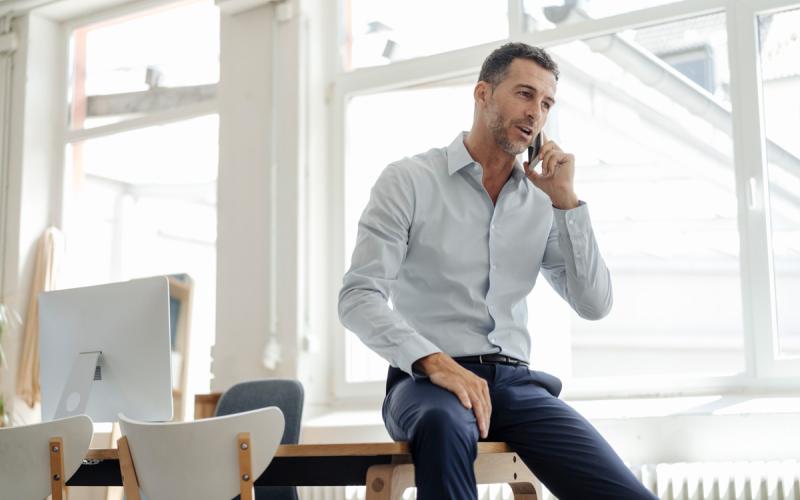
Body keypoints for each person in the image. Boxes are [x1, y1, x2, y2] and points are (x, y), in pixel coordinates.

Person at [338, 42, 656, 500]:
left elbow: (594, 304)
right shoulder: (409, 180)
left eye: (546, 104)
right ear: (483, 93)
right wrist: (436, 362)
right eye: (525, 94)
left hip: (517, 387)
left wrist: (567, 204)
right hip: (427, 381)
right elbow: (358, 297)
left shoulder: (542, 201)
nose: (536, 114)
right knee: (443, 423)